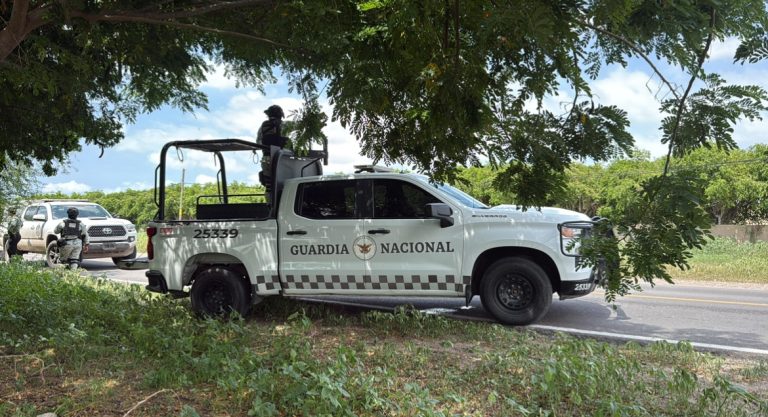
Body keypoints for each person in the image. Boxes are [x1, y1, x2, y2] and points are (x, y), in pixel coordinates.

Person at [256, 105, 285, 188]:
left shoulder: (263, 126)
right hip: (282, 159)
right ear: (280, 115)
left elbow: (258, 142)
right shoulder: (285, 125)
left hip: (267, 159)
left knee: (269, 187)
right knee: (283, 186)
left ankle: (270, 196)